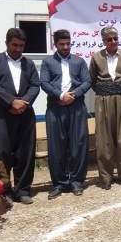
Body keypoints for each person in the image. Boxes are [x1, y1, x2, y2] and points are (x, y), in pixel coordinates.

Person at [0, 28, 40, 204]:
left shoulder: (29, 64)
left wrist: (22, 103)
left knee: (25, 151)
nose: (18, 49)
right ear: (7, 43)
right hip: (2, 113)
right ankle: (4, 190)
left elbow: (35, 86)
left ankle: (22, 189)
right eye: (14, 45)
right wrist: (11, 101)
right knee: (1, 151)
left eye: (21, 46)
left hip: (25, 113)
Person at [40, 29, 92, 199]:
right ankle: (60, 183)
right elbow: (44, 83)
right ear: (54, 44)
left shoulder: (79, 61)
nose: (65, 47)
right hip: (56, 107)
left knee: (78, 144)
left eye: (68, 43)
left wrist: (73, 95)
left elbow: (87, 81)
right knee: (57, 146)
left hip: (76, 107)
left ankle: (77, 182)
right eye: (61, 44)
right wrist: (61, 95)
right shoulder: (47, 62)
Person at [89, 26, 121, 190]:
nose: (113, 41)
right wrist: (106, 92)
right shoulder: (96, 57)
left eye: (115, 38)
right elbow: (93, 79)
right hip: (103, 100)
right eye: (109, 39)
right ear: (103, 41)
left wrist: (120, 92)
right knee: (104, 139)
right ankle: (106, 176)